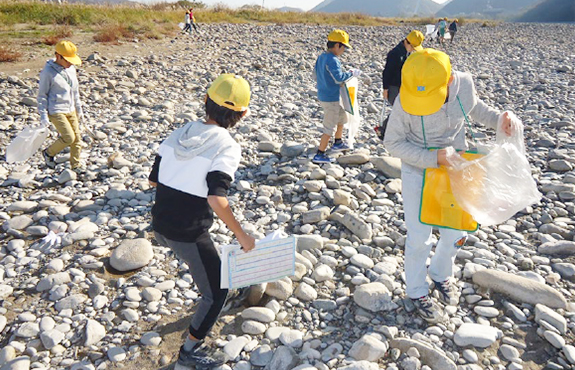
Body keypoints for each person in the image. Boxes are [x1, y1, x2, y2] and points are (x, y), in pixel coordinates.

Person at [383, 49, 514, 323]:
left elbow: (473, 107)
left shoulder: (463, 84)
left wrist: (497, 120)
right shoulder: (404, 97)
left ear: (450, 80)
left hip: (458, 169)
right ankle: (417, 291)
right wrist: (433, 157)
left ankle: (441, 274)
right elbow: (392, 142)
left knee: (455, 231)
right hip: (418, 170)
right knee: (419, 237)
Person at [148, 74, 256, 368]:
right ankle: (191, 350)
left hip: (159, 225)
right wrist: (242, 236)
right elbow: (216, 199)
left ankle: (214, 278)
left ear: (206, 100)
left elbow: (154, 180)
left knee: (209, 267)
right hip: (188, 233)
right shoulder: (227, 146)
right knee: (216, 292)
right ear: (242, 114)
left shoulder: (178, 132)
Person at [312, 29, 361, 164]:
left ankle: (338, 142)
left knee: (342, 117)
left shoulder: (322, 57)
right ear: (337, 45)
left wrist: (325, 82)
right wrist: (351, 73)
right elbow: (339, 78)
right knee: (329, 126)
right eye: (344, 47)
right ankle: (320, 154)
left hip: (324, 95)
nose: (344, 50)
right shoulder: (333, 60)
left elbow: (315, 75)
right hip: (331, 98)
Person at [37, 40, 84, 173]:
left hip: (71, 109)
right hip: (56, 110)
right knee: (69, 137)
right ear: (58, 56)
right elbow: (41, 96)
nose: (70, 63)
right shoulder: (48, 73)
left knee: (77, 140)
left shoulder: (71, 69)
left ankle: (76, 166)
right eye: (68, 60)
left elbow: (75, 91)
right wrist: (43, 116)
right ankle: (48, 153)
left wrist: (79, 109)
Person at [377, 30, 424, 140]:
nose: (413, 50)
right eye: (413, 47)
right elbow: (387, 72)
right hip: (393, 87)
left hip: (402, 86)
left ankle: (390, 130)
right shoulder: (395, 53)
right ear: (407, 43)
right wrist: (385, 89)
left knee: (402, 109)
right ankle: (383, 130)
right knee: (400, 109)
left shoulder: (406, 52)